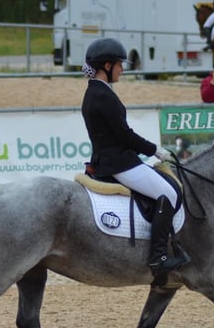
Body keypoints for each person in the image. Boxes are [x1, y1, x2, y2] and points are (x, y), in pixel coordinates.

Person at [80, 37, 190, 278]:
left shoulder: (93, 92)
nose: (122, 69)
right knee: (169, 193)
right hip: (119, 163)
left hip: (109, 159)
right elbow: (124, 135)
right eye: (119, 64)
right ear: (106, 66)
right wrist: (155, 150)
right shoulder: (104, 96)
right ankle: (158, 256)